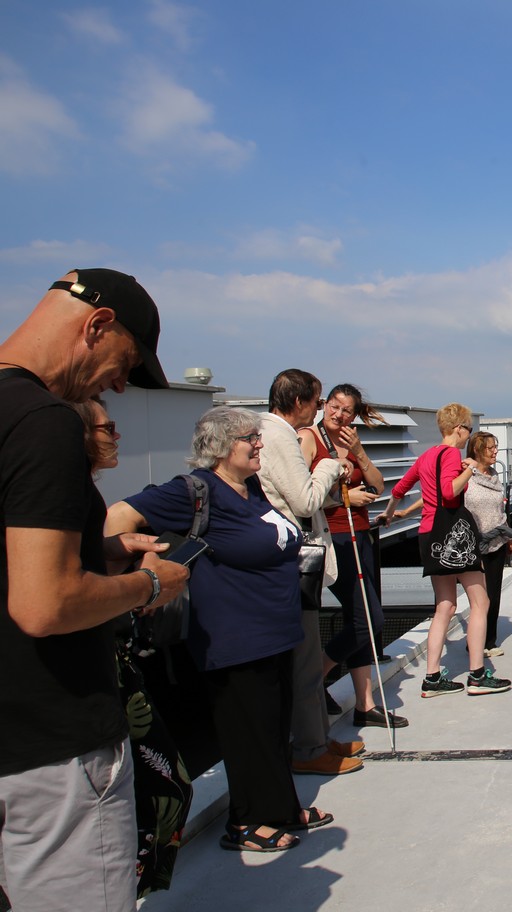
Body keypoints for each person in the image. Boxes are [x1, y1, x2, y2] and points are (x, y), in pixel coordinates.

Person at [0, 269, 188, 910]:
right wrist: (148, 583)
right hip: (49, 745)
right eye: (126, 364)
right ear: (97, 325)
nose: (119, 386)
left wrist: (96, 550)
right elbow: (44, 604)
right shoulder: (45, 421)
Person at [108, 407, 337, 853]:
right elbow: (121, 514)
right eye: (250, 438)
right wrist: (143, 569)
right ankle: (247, 821)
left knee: (273, 727)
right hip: (235, 638)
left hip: (276, 633)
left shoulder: (251, 487)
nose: (259, 444)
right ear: (220, 446)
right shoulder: (195, 490)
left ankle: (281, 808)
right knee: (246, 730)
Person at [75, 397, 193, 898]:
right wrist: (147, 585)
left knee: (170, 788)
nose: (117, 434)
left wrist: (112, 549)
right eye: (107, 427)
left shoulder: (81, 492)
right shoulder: (61, 491)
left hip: (114, 664)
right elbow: (55, 592)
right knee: (158, 791)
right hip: (96, 675)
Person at [255, 370, 366, 769]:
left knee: (306, 653)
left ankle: (318, 737)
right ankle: (309, 749)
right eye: (320, 402)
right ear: (300, 402)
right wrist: (331, 467)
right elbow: (304, 502)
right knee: (304, 660)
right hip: (292, 561)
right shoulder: (283, 436)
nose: (321, 410)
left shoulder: (269, 431)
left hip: (290, 558)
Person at [381, 404, 510, 696]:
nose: (468, 436)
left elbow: (399, 489)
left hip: (428, 534)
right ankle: (477, 675)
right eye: (468, 429)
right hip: (455, 535)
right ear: (459, 428)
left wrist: (389, 514)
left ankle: (432, 677)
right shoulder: (451, 454)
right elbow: (449, 492)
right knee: (481, 602)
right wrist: (470, 470)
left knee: (444, 606)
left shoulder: (426, 456)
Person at [300, 383, 407, 730]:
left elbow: (378, 485)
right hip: (333, 538)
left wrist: (359, 452)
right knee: (369, 619)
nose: (338, 414)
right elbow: (302, 495)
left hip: (360, 534)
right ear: (324, 405)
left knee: (357, 618)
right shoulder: (309, 439)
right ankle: (313, 676)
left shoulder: (351, 441)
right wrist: (346, 499)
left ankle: (365, 704)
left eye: (347, 410)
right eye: (334, 406)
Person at [464, 431, 512, 657]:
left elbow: (500, 509)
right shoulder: (466, 475)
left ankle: (490, 641)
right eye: (490, 447)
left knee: (493, 594)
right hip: (474, 544)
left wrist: (508, 537)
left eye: (496, 447)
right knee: (479, 597)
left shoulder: (494, 475)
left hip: (497, 541)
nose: (495, 451)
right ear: (477, 450)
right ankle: (475, 643)